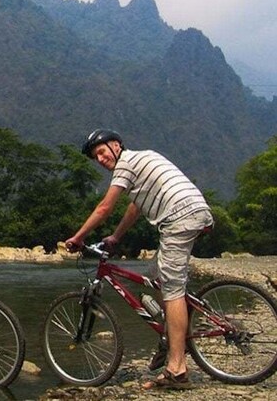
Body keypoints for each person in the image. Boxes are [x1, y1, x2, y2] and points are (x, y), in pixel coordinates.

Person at [65, 129, 214, 390]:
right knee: (156, 275)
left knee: (172, 289)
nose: (99, 159)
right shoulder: (140, 161)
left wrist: (78, 238)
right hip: (193, 212)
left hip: (180, 217)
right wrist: (116, 236)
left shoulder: (126, 164)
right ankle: (171, 335)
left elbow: (104, 207)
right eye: (95, 156)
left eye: (101, 151)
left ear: (116, 145)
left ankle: (177, 369)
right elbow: (136, 206)